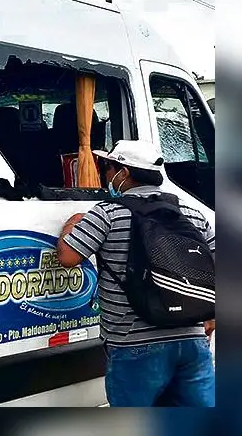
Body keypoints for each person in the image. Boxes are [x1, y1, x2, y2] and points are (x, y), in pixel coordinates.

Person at [55, 139, 215, 407]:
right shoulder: (191, 213)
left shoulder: (107, 214)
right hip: (191, 340)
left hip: (134, 345)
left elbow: (68, 257)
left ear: (124, 172)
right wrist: (211, 316)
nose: (106, 175)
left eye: (108, 168)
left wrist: (72, 225)